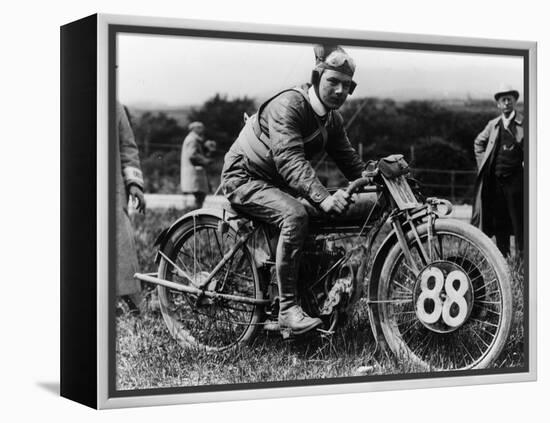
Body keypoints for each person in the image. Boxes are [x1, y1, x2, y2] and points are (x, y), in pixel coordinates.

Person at [221, 45, 378, 335]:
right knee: (295, 215)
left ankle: (306, 298)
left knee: (311, 219)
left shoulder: (332, 119)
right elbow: (289, 161)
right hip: (243, 178)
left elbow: (350, 161)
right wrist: (324, 198)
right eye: (333, 82)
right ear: (316, 77)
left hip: (274, 182)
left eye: (347, 85)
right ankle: (287, 311)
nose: (341, 91)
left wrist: (380, 178)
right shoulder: (290, 105)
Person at [471, 85, 524, 257]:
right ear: (498, 105)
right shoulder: (493, 125)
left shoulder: (524, 124)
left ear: (515, 102)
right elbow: (478, 143)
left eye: (510, 99)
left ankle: (522, 259)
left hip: (517, 181)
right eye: (503, 100)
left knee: (519, 221)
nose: (507, 103)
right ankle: (504, 257)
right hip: (496, 182)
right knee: (500, 220)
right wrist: (484, 165)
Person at [116, 101, 147, 314]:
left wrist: (134, 184)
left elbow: (127, 146)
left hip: (110, 187)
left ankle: (129, 298)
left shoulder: (113, 105)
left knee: (120, 239)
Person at [180, 121, 214, 209]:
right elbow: (193, 155)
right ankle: (194, 213)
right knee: (200, 196)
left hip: (194, 173)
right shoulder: (192, 140)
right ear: (194, 129)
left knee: (199, 196)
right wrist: (206, 161)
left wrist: (206, 148)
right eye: (199, 128)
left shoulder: (194, 139)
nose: (202, 130)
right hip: (194, 173)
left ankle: (195, 212)